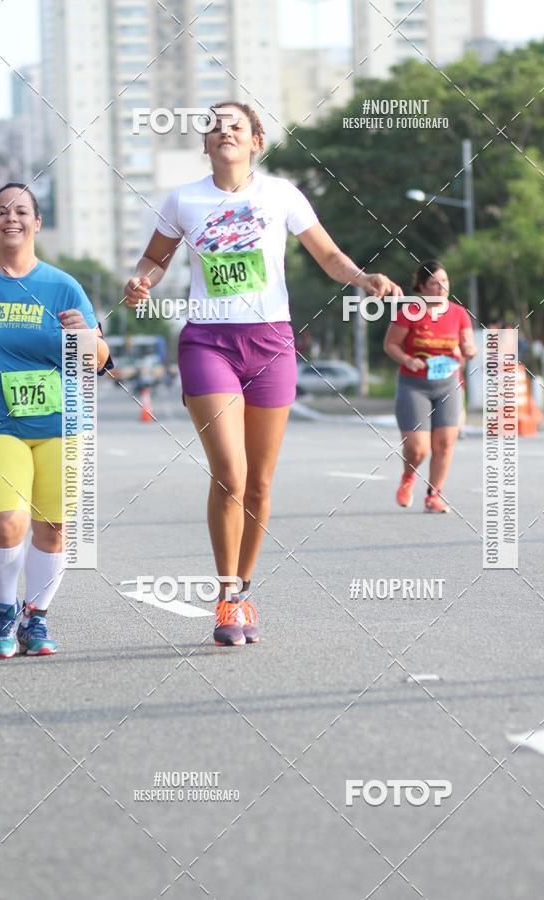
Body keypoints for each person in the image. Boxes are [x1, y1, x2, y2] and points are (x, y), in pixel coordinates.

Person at [124, 101, 403, 646]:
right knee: (230, 471)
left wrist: (362, 276)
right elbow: (153, 260)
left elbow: (328, 257)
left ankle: (244, 592)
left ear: (256, 142)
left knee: (260, 481)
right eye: (215, 128)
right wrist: (142, 282)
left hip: (271, 342)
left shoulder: (280, 195)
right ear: (205, 145)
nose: (224, 132)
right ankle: (226, 597)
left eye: (235, 126)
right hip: (208, 340)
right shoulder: (184, 199)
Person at [0, 183, 110, 658]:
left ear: (37, 223)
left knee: (55, 527)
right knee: (4, 524)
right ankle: (4, 609)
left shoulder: (63, 286)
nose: (11, 217)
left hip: (63, 425)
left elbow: (99, 361)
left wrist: (87, 337)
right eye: (1, 211)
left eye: (21, 211)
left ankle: (35, 618)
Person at [384, 260, 476, 513]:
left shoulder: (459, 313)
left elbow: (468, 344)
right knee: (417, 449)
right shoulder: (410, 312)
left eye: (444, 281)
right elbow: (390, 344)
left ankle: (434, 495)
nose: (441, 287)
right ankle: (408, 478)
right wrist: (407, 359)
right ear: (422, 288)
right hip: (414, 385)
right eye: (435, 283)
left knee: (445, 443)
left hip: (448, 384)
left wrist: (469, 349)